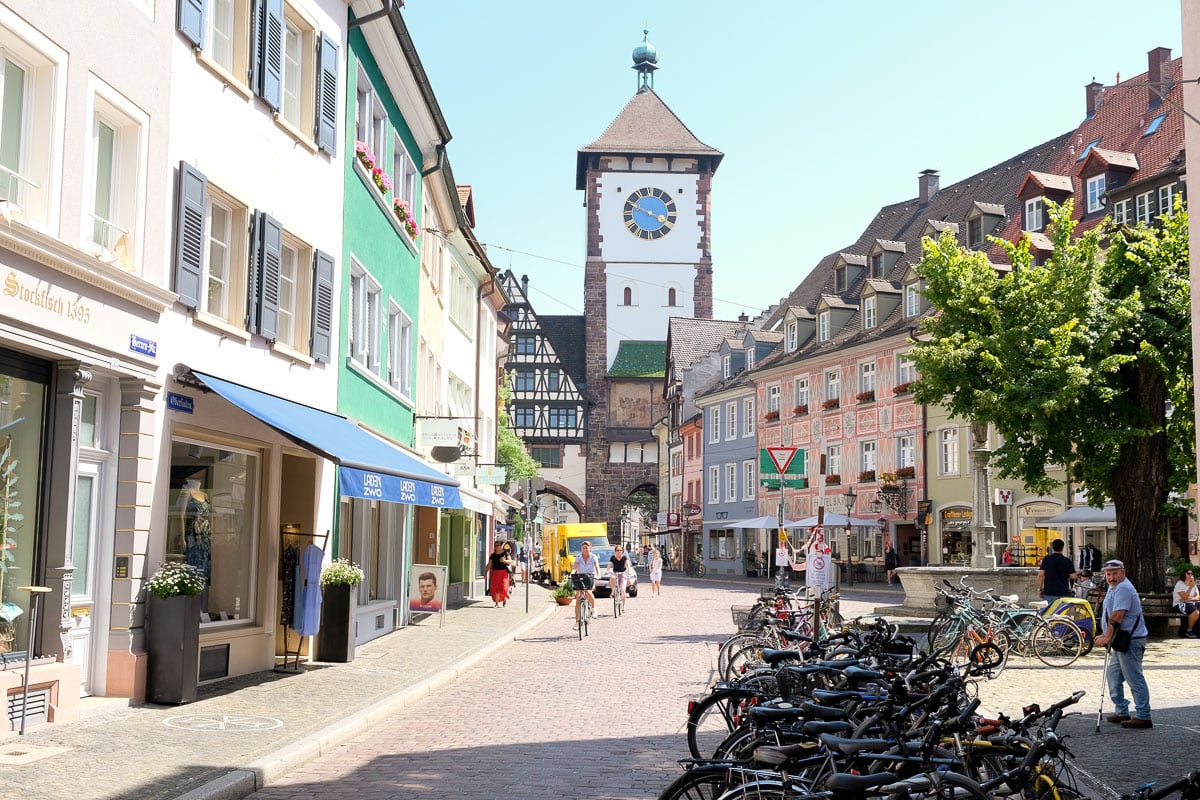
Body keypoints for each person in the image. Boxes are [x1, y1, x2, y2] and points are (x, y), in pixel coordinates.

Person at [1094, 559, 1152, 729]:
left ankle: (1143, 715)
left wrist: (1106, 637)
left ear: (1123, 573)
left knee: (1134, 678)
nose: (1111, 577)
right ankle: (1121, 710)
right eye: (1108, 574)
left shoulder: (1124, 588)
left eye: (1114, 573)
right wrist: (1106, 635)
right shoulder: (1114, 588)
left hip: (1131, 640)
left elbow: (1118, 615)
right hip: (1120, 640)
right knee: (1113, 676)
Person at [1037, 538, 1076, 608]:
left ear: (1053, 547)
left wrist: (1040, 589)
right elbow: (1073, 576)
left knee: (1047, 615)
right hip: (1063, 592)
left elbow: (1040, 575)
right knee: (1060, 615)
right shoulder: (1067, 561)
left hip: (1049, 591)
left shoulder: (1047, 559)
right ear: (1062, 548)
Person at [572, 541, 600, 628]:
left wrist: (598, 575)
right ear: (581, 549)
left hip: (590, 577)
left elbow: (597, 567)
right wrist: (572, 573)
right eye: (583, 548)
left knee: (588, 591)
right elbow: (575, 567)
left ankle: (594, 608)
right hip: (581, 577)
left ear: (590, 549)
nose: (585, 549)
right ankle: (577, 622)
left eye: (587, 548)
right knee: (578, 598)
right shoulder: (579, 557)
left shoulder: (593, 557)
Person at [1172, 567, 1200, 638]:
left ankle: (1197, 631)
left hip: (1190, 603)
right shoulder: (1180, 584)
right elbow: (1184, 597)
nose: (1190, 575)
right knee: (1195, 612)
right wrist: (1190, 587)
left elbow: (1198, 597)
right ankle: (1189, 630)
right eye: (1188, 573)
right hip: (1179, 605)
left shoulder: (1194, 585)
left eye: (1191, 573)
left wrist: (1190, 599)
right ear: (1184, 575)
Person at [487, 542, 513, 607]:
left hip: (503, 573)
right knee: (496, 588)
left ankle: (504, 598)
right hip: (495, 572)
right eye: (495, 545)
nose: (496, 547)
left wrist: (504, 561)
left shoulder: (505, 553)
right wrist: (485, 573)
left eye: (498, 545)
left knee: (503, 587)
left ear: (500, 546)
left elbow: (510, 561)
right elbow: (489, 565)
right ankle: (497, 603)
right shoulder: (493, 555)